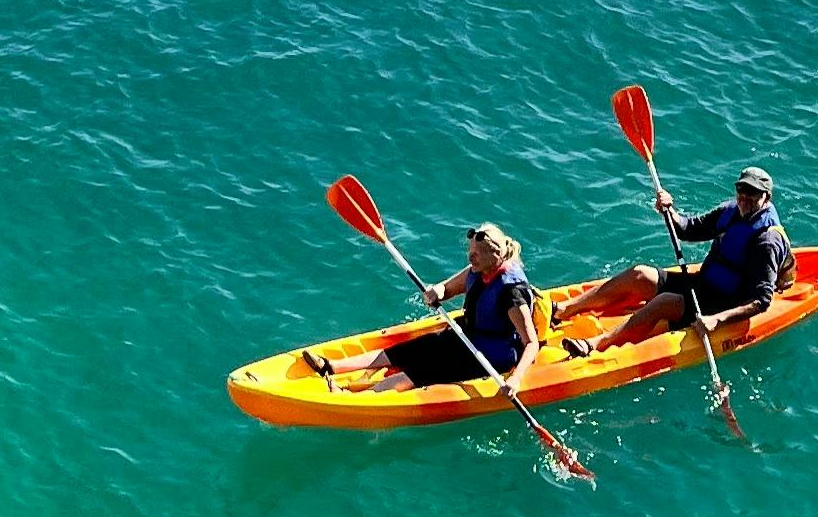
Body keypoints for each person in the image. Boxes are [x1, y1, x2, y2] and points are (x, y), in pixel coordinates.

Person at [555, 165, 791, 355]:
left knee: (664, 302)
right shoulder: (730, 211)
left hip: (726, 302)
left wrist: (717, 320)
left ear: (766, 197)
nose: (745, 197)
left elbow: (762, 301)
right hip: (703, 284)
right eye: (741, 189)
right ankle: (563, 310)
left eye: (752, 193)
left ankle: (596, 344)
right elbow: (687, 230)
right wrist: (669, 211)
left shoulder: (766, 242)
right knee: (640, 274)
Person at [307, 223, 544, 394]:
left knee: (424, 370)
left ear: (494, 257)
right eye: (470, 251)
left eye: (476, 254)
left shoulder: (511, 294)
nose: (471, 258)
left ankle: (354, 398)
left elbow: (531, 343)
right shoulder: (479, 268)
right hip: (466, 335)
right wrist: (437, 291)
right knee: (409, 350)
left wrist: (516, 379)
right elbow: (448, 288)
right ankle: (331, 366)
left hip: (491, 355)